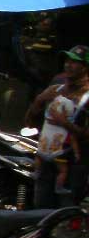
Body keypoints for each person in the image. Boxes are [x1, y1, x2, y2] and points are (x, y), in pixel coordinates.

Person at [23, 44, 89, 208]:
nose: (68, 65)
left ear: (85, 67)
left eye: (74, 62)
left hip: (73, 166)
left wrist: (63, 122)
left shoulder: (87, 96)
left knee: (66, 213)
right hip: (45, 161)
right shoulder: (54, 90)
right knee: (40, 210)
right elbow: (29, 122)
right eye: (67, 61)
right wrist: (39, 101)